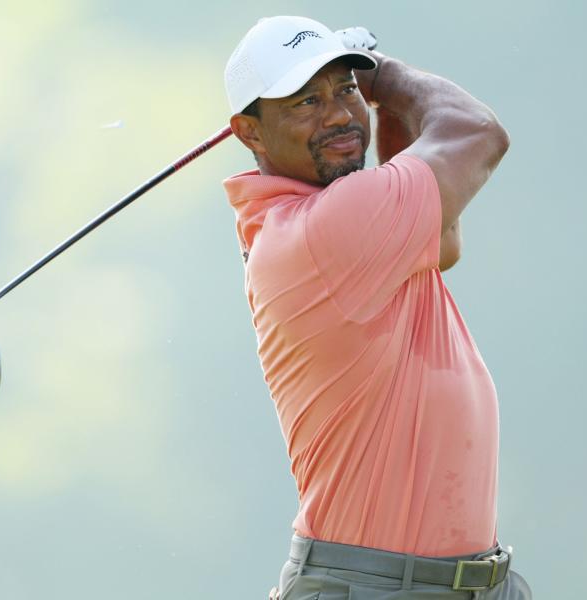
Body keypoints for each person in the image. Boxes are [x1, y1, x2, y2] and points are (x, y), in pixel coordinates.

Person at [222, 16, 530, 599]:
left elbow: (441, 242)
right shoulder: (327, 230)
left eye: (346, 89)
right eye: (305, 101)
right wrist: (384, 77)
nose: (338, 114)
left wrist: (382, 108)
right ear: (251, 133)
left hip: (461, 582)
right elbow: (477, 133)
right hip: (375, 587)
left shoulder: (332, 225)